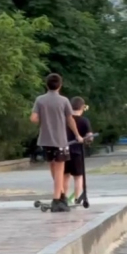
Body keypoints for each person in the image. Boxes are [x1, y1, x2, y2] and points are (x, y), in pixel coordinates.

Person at [31, 73, 83, 213]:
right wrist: (77, 135)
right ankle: (57, 200)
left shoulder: (40, 100)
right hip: (60, 139)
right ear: (60, 85)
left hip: (45, 139)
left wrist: (45, 117)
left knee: (53, 167)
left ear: (46, 85)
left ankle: (61, 195)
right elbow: (70, 119)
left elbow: (34, 118)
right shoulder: (64, 100)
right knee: (60, 168)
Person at [65, 97, 93, 205]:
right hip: (77, 151)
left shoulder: (65, 120)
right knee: (78, 177)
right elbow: (89, 136)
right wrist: (88, 140)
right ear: (82, 107)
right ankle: (76, 199)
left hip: (65, 150)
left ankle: (64, 198)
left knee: (65, 176)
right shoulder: (84, 121)